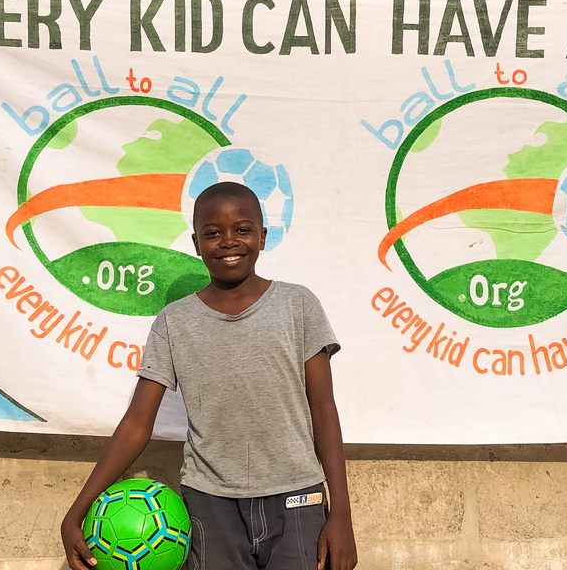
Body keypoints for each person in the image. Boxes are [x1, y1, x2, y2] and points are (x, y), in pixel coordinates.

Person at [61, 181, 358, 570]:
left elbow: (323, 408)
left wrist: (342, 513)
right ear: (196, 243)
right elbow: (137, 423)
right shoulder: (174, 321)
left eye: (242, 230)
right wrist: (76, 513)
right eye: (214, 233)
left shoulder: (297, 304)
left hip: (296, 498)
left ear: (262, 236)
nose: (229, 241)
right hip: (210, 505)